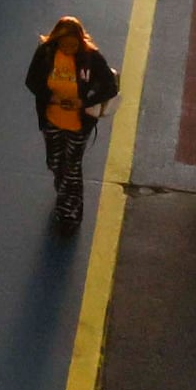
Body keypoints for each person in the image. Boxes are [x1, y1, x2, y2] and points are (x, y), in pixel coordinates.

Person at [22, 15, 121, 233]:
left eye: (73, 46)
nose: (68, 50)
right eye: (64, 45)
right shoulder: (46, 53)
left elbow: (110, 87)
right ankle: (65, 192)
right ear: (56, 41)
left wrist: (83, 101)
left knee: (72, 167)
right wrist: (52, 98)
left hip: (78, 125)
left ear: (80, 41)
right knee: (56, 163)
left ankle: (69, 213)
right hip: (52, 120)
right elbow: (32, 80)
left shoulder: (90, 58)